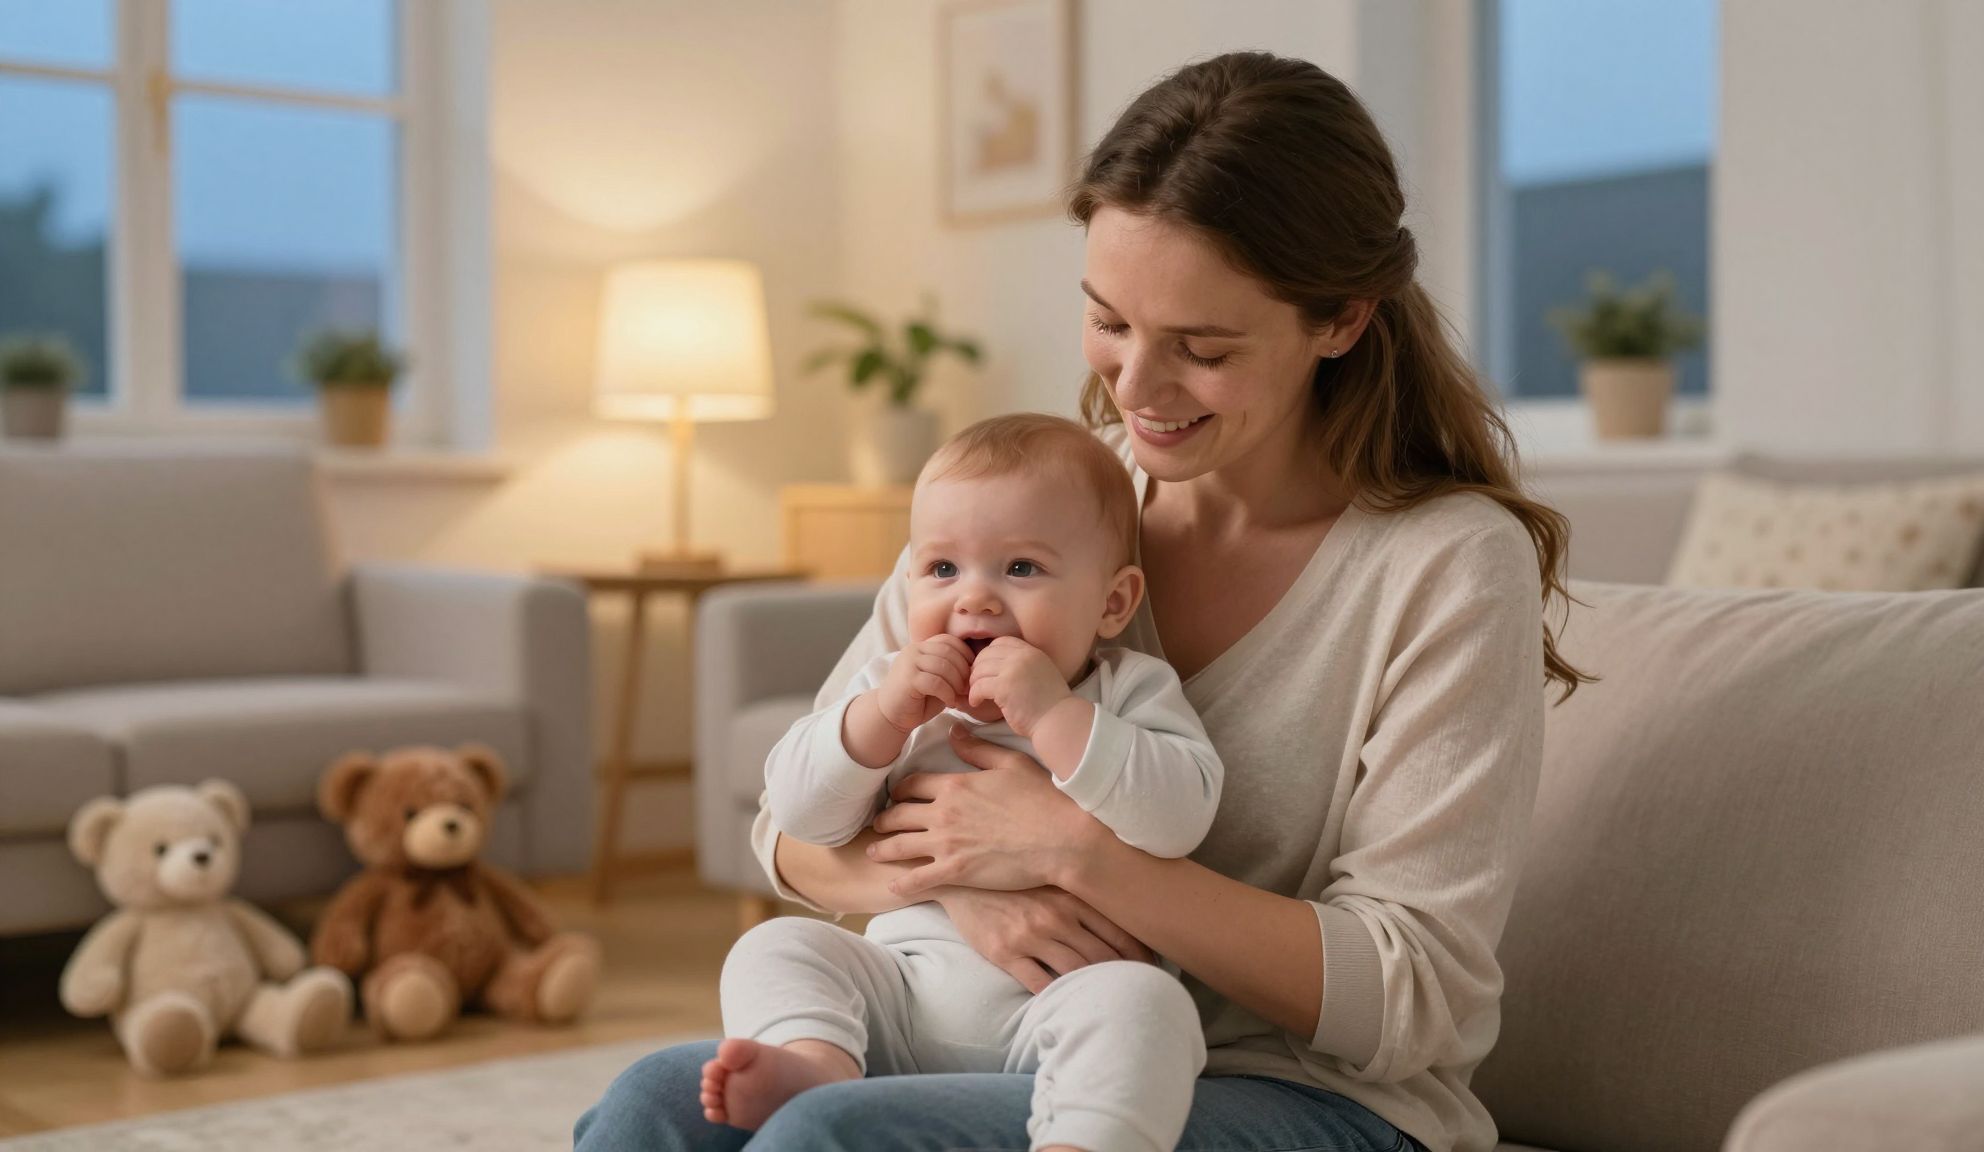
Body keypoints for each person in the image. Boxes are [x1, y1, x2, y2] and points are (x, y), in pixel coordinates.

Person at [576, 48, 1586, 1152]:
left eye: (1199, 349)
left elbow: (1413, 997)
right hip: (992, 1023)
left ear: (1339, 320)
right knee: (651, 1110)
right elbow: (791, 834)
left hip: (1306, 1096)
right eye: (1108, 321)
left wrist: (1077, 856)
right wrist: (971, 890)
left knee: (831, 1138)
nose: (1134, 389)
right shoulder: (1042, 511)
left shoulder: (1441, 566)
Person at [703, 413, 1224, 1152]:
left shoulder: (1128, 692)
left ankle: (1082, 1138)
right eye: (942, 570)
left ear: (1113, 602)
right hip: (901, 991)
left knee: (1149, 1008)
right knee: (776, 947)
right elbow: (797, 815)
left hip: (1061, 1004)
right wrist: (877, 720)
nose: (973, 599)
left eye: (1021, 569)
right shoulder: (893, 691)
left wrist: (1055, 715)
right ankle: (817, 1066)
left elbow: (1179, 817)